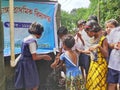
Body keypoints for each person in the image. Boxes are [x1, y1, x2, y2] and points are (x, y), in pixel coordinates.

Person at [14, 22, 51, 90]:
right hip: (28, 64)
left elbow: (29, 53)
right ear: (39, 33)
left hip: (22, 63)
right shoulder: (32, 42)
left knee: (27, 84)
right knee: (34, 85)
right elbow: (34, 57)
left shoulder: (25, 39)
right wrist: (44, 56)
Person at [85, 20, 108, 90]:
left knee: (98, 85)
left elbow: (106, 54)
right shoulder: (93, 39)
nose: (87, 34)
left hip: (100, 65)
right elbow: (93, 52)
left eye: (87, 32)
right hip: (93, 64)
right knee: (91, 84)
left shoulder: (103, 39)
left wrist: (99, 46)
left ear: (93, 30)